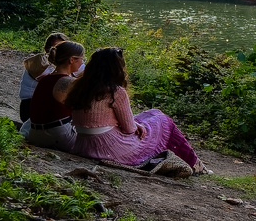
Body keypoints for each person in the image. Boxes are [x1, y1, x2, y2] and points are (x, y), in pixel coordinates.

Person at [64, 47, 204, 174]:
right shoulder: (115, 91)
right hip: (110, 148)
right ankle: (195, 163)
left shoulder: (79, 87)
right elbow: (129, 129)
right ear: (116, 68)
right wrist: (136, 126)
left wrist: (135, 124)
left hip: (83, 145)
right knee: (164, 121)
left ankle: (193, 162)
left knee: (153, 113)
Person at [23, 41, 84, 151]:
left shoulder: (45, 78)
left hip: (34, 134)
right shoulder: (69, 82)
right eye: (81, 59)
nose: (82, 62)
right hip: (56, 136)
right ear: (72, 60)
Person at [19, 32, 68, 122]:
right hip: (31, 107)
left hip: (42, 105)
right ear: (48, 48)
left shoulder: (56, 64)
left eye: (63, 47)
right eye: (57, 47)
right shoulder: (39, 63)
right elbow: (55, 83)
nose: (60, 50)